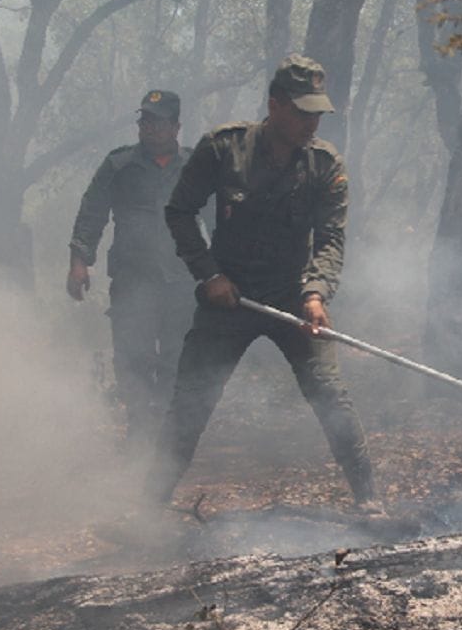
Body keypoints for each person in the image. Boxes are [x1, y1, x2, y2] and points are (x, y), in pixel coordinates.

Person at [150, 54, 376, 508]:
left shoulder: (325, 165)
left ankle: (370, 501)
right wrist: (209, 274)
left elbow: (331, 238)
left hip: (293, 297)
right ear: (275, 106)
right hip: (228, 298)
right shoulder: (222, 148)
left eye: (317, 113)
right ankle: (146, 508)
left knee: (330, 394)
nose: (311, 123)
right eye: (302, 112)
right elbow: (179, 211)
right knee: (191, 403)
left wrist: (316, 293)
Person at [67, 90, 196, 448]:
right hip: (132, 281)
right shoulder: (119, 165)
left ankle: (169, 439)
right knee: (133, 358)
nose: (148, 127)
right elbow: (92, 213)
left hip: (182, 282)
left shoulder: (195, 166)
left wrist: (222, 270)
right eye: (144, 120)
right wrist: (80, 261)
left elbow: (218, 218)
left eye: (156, 121)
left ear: (175, 126)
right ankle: (139, 430)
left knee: (177, 360)